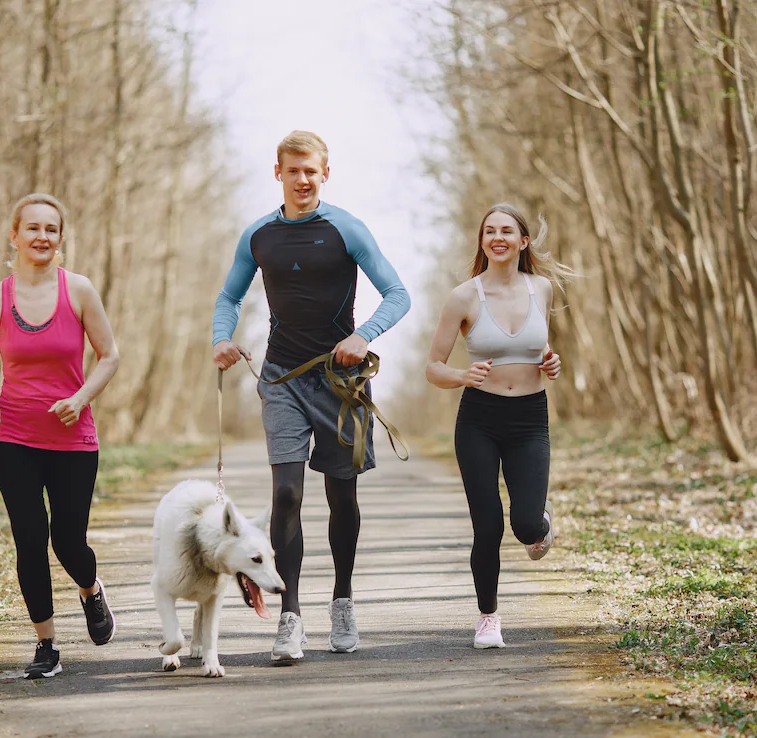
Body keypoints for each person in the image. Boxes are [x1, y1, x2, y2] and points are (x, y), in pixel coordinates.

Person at [211, 131, 410, 662]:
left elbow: (398, 293)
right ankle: (290, 616)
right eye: (293, 170)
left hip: (340, 385)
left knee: (342, 496)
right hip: (281, 379)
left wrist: (363, 335)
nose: (303, 179)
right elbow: (229, 296)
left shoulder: (346, 228)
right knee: (287, 495)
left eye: (311, 171)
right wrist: (221, 338)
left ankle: (342, 600)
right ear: (278, 172)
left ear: (325, 174)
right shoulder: (258, 235)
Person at [0, 193, 120, 679]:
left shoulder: (78, 290)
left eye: (51, 229)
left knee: (68, 542)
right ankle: (46, 645)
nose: (41, 237)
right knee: (30, 538)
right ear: (13, 236)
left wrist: (80, 399)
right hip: (12, 436)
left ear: (60, 239)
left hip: (72, 438)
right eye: (31, 228)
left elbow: (110, 355)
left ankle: (91, 589)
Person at [424, 202, 572, 649]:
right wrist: (460, 376)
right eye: (490, 231)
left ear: (523, 241)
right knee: (487, 525)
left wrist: (551, 362)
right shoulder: (464, 296)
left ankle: (542, 521)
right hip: (479, 419)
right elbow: (433, 366)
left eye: (507, 231)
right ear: (483, 241)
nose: (498, 237)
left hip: (529, 418)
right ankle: (488, 618)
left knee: (525, 526)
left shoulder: (541, 289)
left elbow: (539, 347)